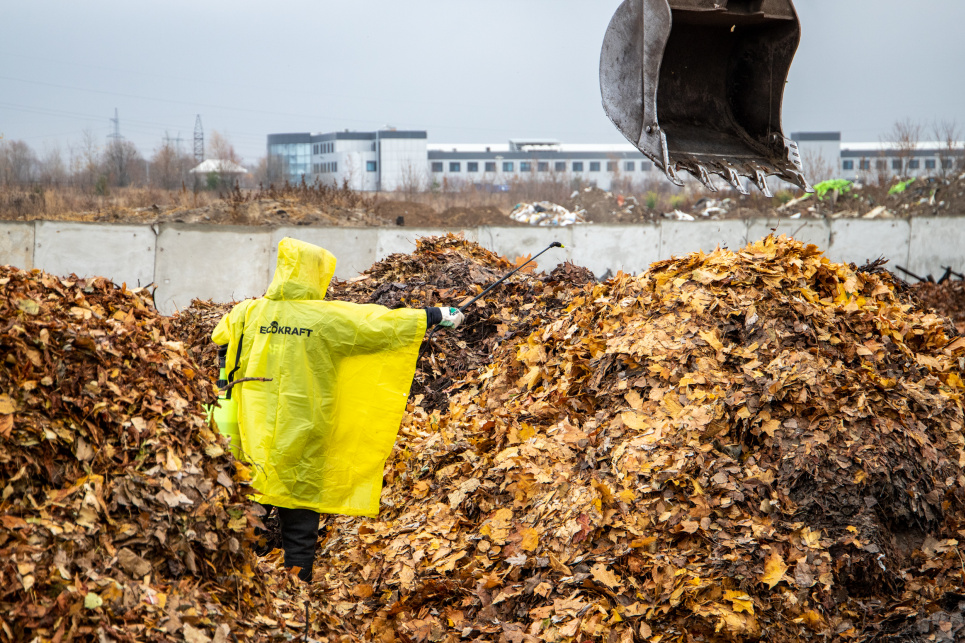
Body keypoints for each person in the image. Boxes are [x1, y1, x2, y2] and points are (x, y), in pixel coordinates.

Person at [211, 237, 464, 581]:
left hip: (251, 425)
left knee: (247, 503)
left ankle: (236, 582)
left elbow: (221, 340)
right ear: (315, 276)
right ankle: (296, 588)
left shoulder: (250, 311)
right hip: (306, 426)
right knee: (299, 513)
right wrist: (434, 315)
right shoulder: (326, 318)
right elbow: (378, 324)